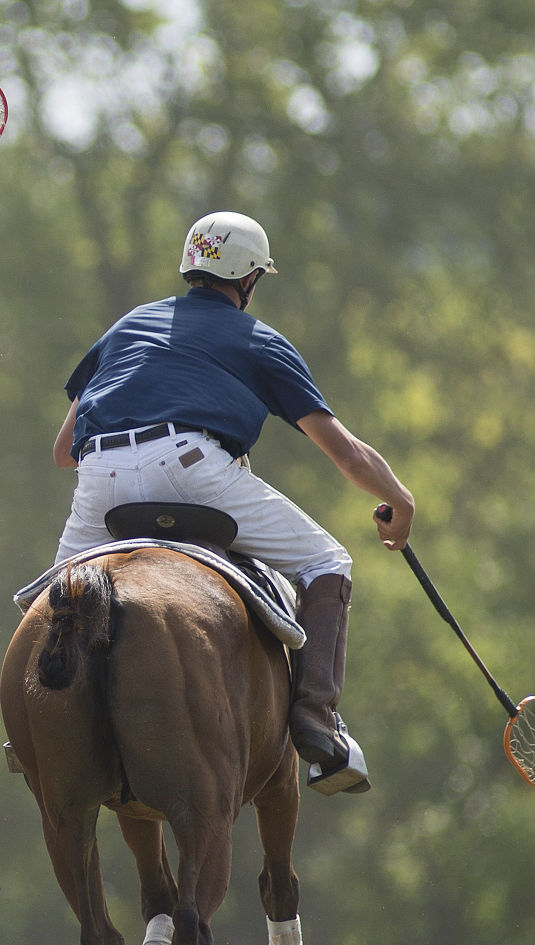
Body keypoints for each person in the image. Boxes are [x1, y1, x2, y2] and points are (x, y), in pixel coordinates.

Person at [51, 211, 415, 794]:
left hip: (100, 475)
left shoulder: (127, 327)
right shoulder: (260, 341)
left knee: (54, 598)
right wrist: (398, 499)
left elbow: (63, 451)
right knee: (328, 562)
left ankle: (43, 722)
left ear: (191, 266)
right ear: (250, 279)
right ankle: (316, 722)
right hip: (193, 469)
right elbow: (346, 455)